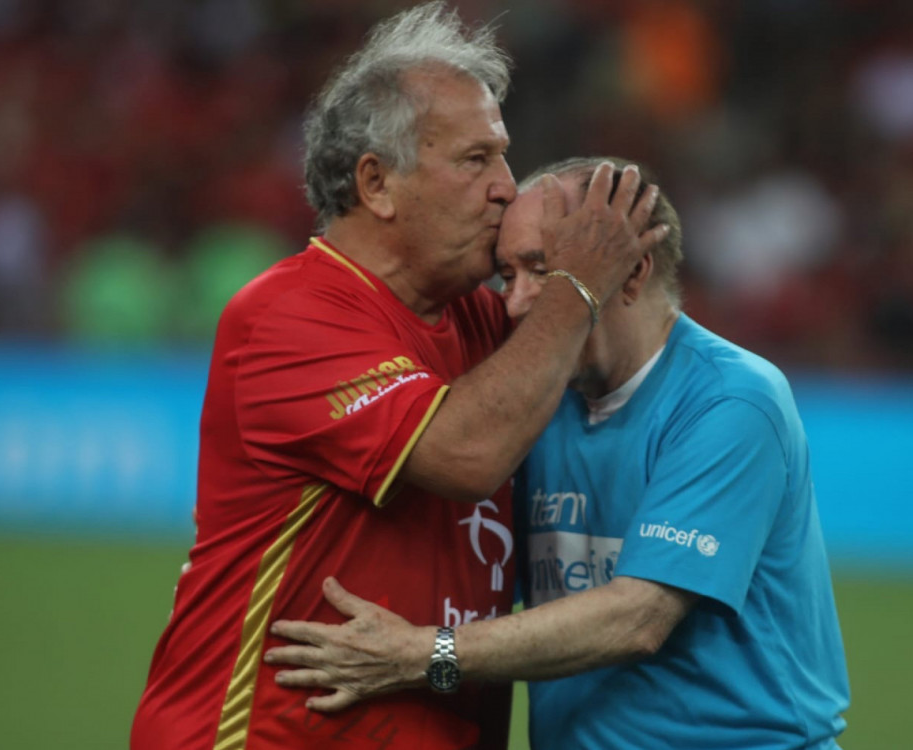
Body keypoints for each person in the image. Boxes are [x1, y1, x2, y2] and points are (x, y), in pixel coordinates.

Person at [129, 4, 665, 749]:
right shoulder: (288, 316)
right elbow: (468, 455)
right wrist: (577, 286)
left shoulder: (489, 325)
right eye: (476, 160)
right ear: (377, 184)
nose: (507, 187)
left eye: (505, 156)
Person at [264, 158, 851, 750]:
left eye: (543, 271)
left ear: (631, 272)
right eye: (506, 275)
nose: (516, 304)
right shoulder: (536, 406)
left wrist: (424, 654)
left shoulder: (731, 398)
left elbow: (638, 618)